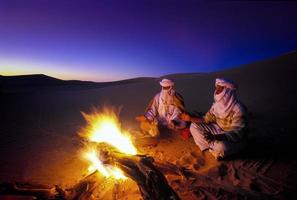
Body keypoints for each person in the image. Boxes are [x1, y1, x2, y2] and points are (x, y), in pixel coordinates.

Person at [180, 78, 248, 160]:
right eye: (216, 89)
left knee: (222, 147)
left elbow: (238, 134)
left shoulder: (238, 109)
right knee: (193, 126)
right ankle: (207, 149)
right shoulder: (216, 106)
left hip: (231, 138)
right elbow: (205, 119)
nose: (216, 92)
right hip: (217, 131)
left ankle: (216, 149)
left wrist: (216, 137)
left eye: (220, 90)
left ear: (228, 92)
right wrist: (190, 118)